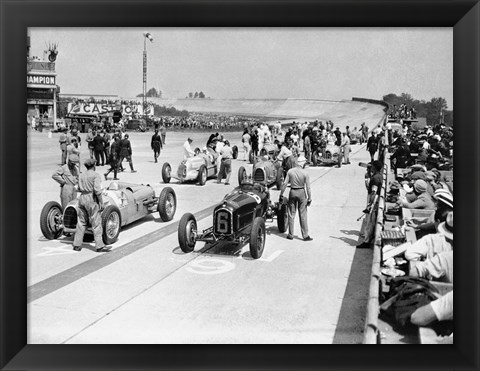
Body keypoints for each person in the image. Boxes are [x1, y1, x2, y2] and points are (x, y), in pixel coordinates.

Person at [72, 159, 111, 252]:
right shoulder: (95, 175)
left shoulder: (81, 175)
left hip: (82, 198)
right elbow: (97, 190)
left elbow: (78, 188)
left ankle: (77, 245)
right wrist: (101, 202)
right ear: (94, 166)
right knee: (96, 223)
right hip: (91, 199)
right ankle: (99, 246)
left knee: (81, 222)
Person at [279, 156, 313, 241]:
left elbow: (284, 184)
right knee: (303, 215)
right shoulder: (305, 173)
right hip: (301, 192)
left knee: (291, 213)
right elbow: (308, 187)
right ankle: (305, 235)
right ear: (302, 163)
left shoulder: (290, 171)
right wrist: (309, 198)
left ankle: (291, 234)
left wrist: (281, 194)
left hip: (293, 191)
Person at [357, 160, 383, 249]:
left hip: (373, 200)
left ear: (374, 167)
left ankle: (367, 241)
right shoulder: (379, 176)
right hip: (375, 199)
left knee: (369, 221)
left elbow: (373, 192)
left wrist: (369, 205)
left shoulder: (375, 178)